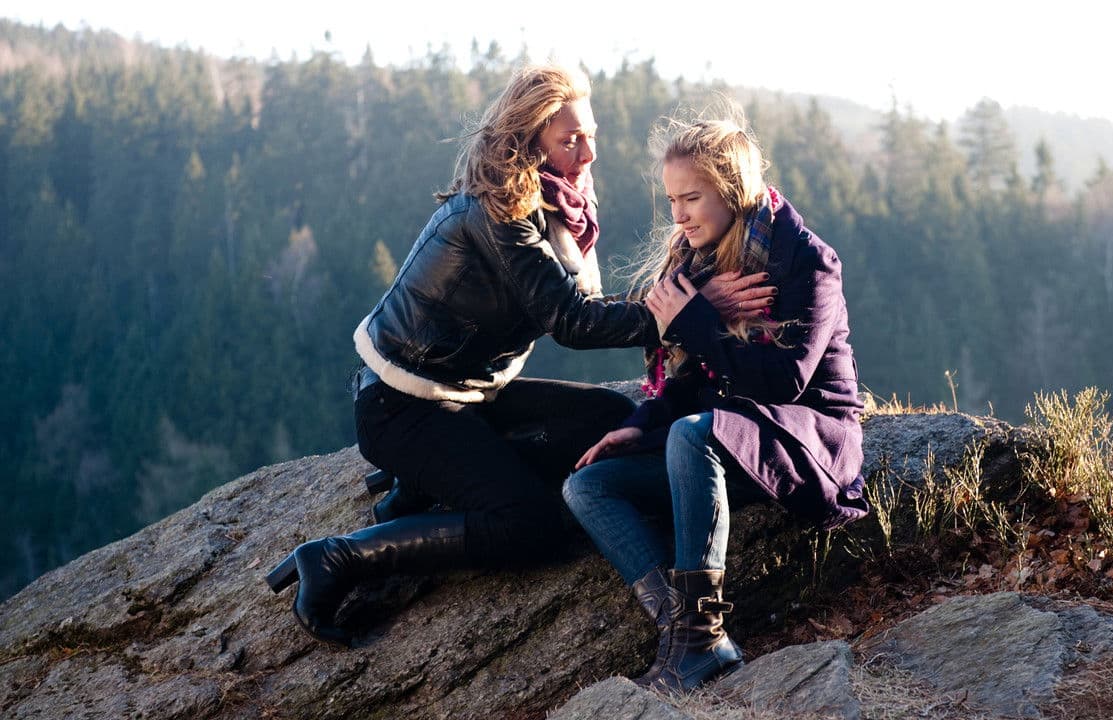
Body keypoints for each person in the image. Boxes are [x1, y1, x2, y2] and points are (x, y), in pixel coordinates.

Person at [265, 64, 771, 648]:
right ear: (529, 141)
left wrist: (678, 304)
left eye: (591, 135)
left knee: (612, 419)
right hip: (402, 405)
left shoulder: (558, 202)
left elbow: (582, 304)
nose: (587, 154)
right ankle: (338, 557)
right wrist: (685, 312)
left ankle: (423, 483)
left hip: (469, 396)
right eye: (569, 140)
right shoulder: (500, 212)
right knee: (532, 525)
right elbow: (572, 321)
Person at [561, 110, 869, 692]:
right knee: (588, 485)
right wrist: (641, 423)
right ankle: (686, 631)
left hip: (806, 439)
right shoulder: (698, 265)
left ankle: (701, 640)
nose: (678, 215)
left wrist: (697, 318)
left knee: (691, 433)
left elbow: (784, 381)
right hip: (730, 441)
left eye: (692, 198)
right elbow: (693, 378)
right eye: (672, 200)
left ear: (731, 191)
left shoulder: (805, 260)